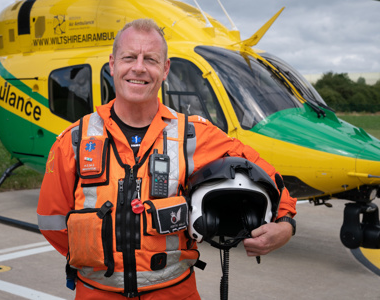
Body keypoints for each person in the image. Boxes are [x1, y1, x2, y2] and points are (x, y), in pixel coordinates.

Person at [37, 18, 297, 299]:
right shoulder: (74, 142)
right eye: (129, 57)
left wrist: (286, 224)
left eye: (150, 59)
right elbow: (52, 222)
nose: (139, 67)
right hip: (96, 293)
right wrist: (100, 262)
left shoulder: (195, 135)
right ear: (112, 65)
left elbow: (266, 174)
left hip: (174, 293)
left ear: (165, 68)